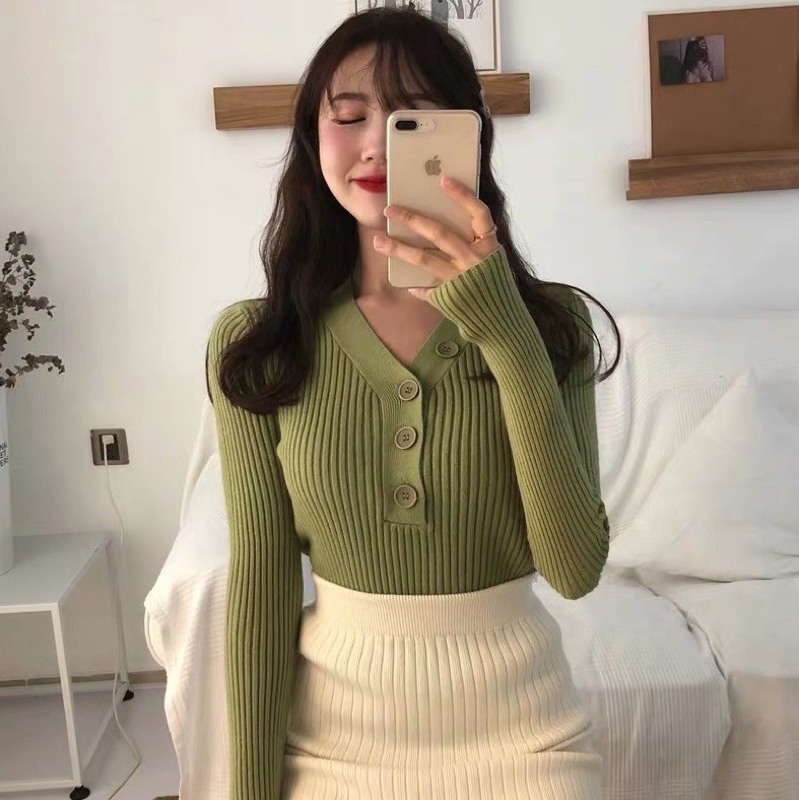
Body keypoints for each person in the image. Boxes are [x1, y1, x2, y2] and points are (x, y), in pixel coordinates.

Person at [205, 7, 622, 799]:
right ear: (312, 140)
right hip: (332, 747)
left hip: (527, 741)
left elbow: (573, 570)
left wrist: (507, 337)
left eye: (411, 119)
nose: (374, 144)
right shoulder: (260, 343)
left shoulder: (551, 324)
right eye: (349, 116)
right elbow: (261, 585)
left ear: (467, 141)